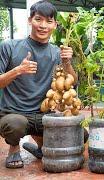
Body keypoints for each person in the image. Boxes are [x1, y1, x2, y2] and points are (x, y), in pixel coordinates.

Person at [0, 0, 88, 169]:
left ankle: (41, 148)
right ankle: (13, 148)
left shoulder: (56, 52)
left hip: (43, 114)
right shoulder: (9, 47)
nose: (43, 26)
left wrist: (67, 63)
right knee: (15, 125)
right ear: (29, 20)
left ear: (55, 25)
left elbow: (73, 82)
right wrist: (18, 70)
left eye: (49, 21)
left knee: (79, 133)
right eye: (38, 19)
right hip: (13, 114)